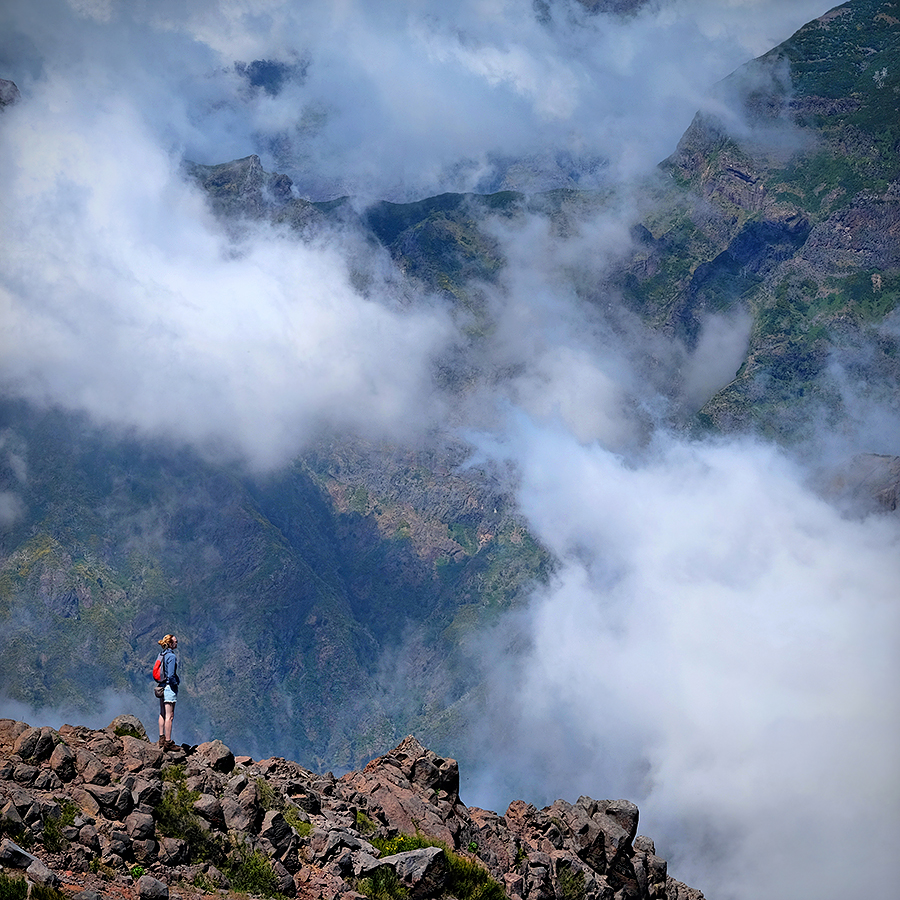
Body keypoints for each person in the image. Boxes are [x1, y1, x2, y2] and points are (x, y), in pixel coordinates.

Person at [155, 634, 180, 750]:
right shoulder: (171, 656)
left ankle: (161, 738)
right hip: (169, 688)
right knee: (169, 716)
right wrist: (175, 683)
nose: (176, 643)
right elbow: (170, 675)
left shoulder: (162, 654)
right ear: (170, 643)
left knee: (162, 713)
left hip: (161, 687)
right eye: (175, 641)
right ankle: (168, 742)